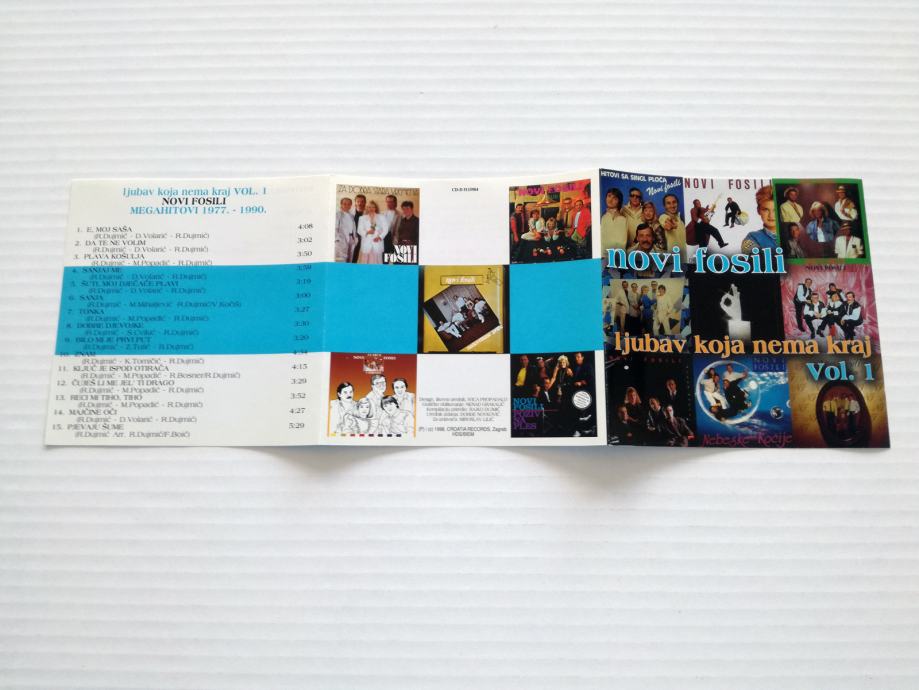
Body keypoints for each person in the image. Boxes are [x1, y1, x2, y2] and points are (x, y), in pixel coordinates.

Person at [741, 185, 778, 254]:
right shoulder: (752, 238)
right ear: (758, 210)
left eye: (775, 210)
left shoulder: (793, 234)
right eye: (766, 210)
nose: (771, 215)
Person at [659, 193, 688, 263]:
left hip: (685, 260)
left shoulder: (681, 220)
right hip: (673, 261)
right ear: (665, 206)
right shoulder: (663, 217)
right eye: (668, 203)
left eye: (674, 202)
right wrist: (670, 225)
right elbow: (667, 225)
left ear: (677, 203)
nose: (672, 205)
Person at [334, 197, 357, 263]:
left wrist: (355, 238)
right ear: (341, 204)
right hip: (341, 239)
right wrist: (338, 238)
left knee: (350, 258)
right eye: (344, 204)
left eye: (349, 204)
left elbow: (353, 228)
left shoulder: (351, 216)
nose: (347, 206)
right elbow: (335, 228)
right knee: (341, 259)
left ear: (351, 205)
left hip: (351, 239)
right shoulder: (338, 215)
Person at [350, 194, 366, 261]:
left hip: (363, 239)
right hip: (352, 238)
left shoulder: (368, 214)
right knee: (352, 258)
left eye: (362, 201)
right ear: (355, 202)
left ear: (365, 203)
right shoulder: (350, 213)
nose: (360, 203)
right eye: (358, 201)